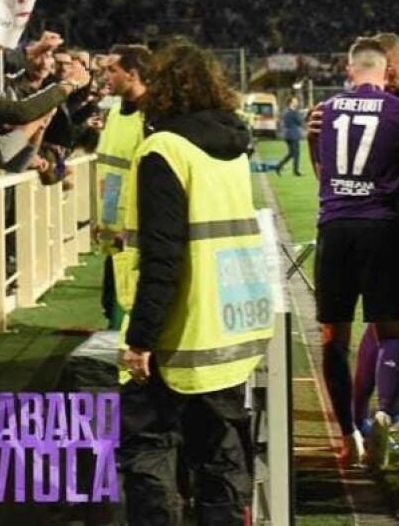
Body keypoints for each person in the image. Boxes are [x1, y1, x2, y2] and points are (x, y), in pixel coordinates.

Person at [115, 40, 269, 525]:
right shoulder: (234, 149)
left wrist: (140, 339)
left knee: (149, 451)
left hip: (180, 333)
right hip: (230, 330)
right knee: (221, 460)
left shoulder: (165, 150)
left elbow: (163, 257)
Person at [310, 38, 399, 470]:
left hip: (335, 229)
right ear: (385, 73)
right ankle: (381, 416)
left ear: (348, 71)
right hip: (383, 230)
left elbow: (323, 174)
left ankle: (347, 437)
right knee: (389, 330)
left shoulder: (323, 112)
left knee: (333, 337)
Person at [95, 45, 151, 331]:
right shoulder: (116, 113)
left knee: (128, 310)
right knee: (110, 304)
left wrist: (133, 227)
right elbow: (111, 171)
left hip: (134, 237)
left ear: (133, 74)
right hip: (112, 235)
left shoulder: (151, 119)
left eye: (111, 70)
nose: (105, 75)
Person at [276, 96, 305, 175]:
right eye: (295, 101)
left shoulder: (286, 112)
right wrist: (302, 116)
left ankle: (279, 166)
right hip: (293, 135)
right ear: (291, 103)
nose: (297, 102)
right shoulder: (293, 112)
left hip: (287, 135)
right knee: (296, 153)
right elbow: (299, 122)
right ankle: (296, 171)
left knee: (291, 153)